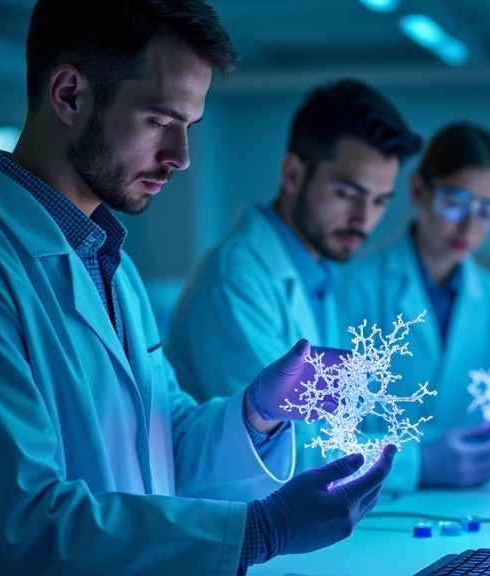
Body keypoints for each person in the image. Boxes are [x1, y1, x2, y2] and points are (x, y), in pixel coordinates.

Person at [0, 2, 396, 575]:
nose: (181, 158)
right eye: (159, 121)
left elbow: (164, 443)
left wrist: (258, 413)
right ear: (70, 94)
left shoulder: (109, 264)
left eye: (188, 128)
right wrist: (258, 531)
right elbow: (26, 528)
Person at [164, 79, 421, 470]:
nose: (363, 219)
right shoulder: (237, 279)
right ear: (293, 174)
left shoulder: (317, 276)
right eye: (348, 194)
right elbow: (287, 448)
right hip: (235, 514)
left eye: (380, 201)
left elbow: (339, 426)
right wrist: (421, 461)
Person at [338, 122, 490, 491]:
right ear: (418, 190)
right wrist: (420, 461)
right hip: (379, 497)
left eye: (488, 212)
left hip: (476, 498)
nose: (470, 227)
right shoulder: (354, 286)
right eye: (455, 204)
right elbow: (335, 430)